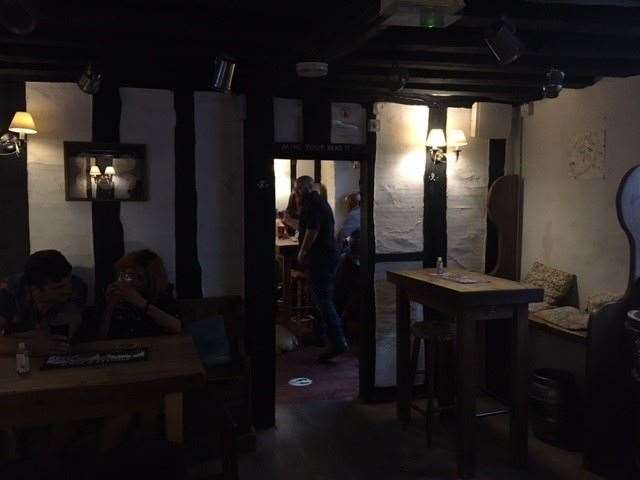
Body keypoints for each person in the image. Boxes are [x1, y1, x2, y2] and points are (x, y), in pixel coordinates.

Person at [283, 176, 348, 361]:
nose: (295, 194)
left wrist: (302, 252)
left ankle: (338, 341)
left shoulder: (312, 202)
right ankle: (321, 336)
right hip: (327, 257)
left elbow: (312, 231)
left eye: (296, 190)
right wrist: (289, 221)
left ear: (304, 188)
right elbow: (306, 227)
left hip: (322, 258)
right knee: (321, 298)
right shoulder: (318, 202)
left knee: (323, 300)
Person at [0, 250, 86, 356]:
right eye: (58, 287)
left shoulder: (76, 287)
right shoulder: (8, 293)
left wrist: (15, 339)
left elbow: (63, 336)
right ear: (35, 289)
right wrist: (30, 345)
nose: (68, 290)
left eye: (69, 283)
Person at [100, 249, 181, 339]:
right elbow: (100, 337)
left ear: (150, 280)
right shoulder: (118, 294)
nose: (125, 281)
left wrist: (139, 301)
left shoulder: (161, 295)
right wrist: (110, 306)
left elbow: (176, 327)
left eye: (133, 276)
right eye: (123, 275)